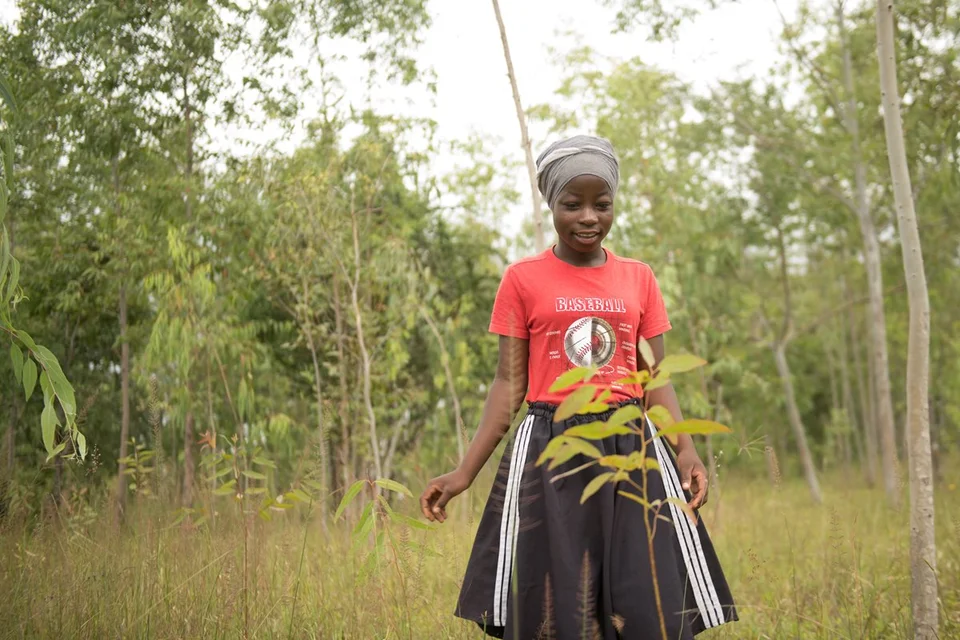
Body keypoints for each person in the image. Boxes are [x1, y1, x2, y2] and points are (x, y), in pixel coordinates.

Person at [419, 135, 737, 639]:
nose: (588, 216)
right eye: (573, 204)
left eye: (601, 204)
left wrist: (687, 451)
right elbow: (509, 383)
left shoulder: (639, 278)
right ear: (552, 205)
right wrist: (464, 472)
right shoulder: (522, 279)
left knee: (644, 600)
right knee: (555, 605)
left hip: (632, 447)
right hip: (552, 449)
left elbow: (654, 378)